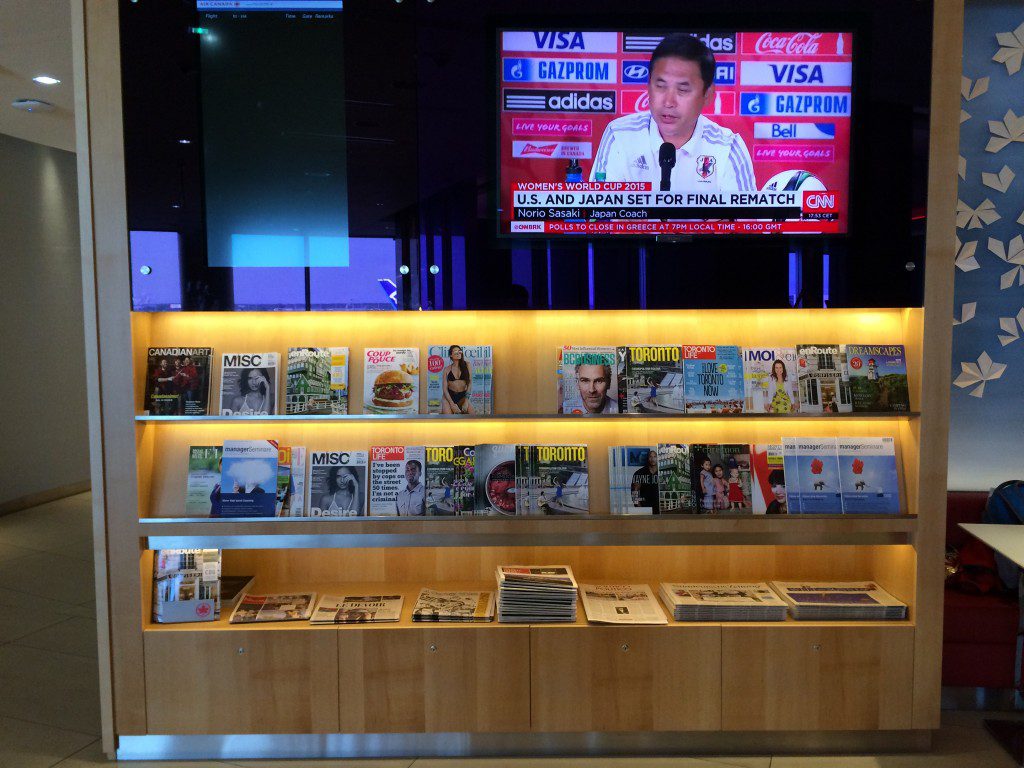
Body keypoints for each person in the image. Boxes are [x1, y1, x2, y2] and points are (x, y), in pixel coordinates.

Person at [590, 34, 755, 192]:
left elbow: (744, 212)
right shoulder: (620, 135)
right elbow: (599, 208)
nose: (668, 102)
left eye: (682, 89)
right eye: (660, 86)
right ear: (648, 86)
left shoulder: (727, 148)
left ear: (707, 95)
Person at [441, 345, 474, 414]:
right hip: (449, 396)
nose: (458, 353)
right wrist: (452, 404)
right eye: (456, 351)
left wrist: (466, 401)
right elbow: (445, 389)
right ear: (451, 355)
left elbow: (470, 383)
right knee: (448, 416)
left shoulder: (467, 365)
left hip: (462, 396)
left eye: (459, 351)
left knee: (472, 414)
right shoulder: (447, 369)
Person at [630, 448, 660, 513]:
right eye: (650, 457)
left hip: (660, 509)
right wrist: (640, 509)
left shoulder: (663, 472)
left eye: (654, 456)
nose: (652, 459)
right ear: (647, 458)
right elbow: (634, 492)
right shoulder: (639, 473)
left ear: (658, 458)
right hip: (645, 508)